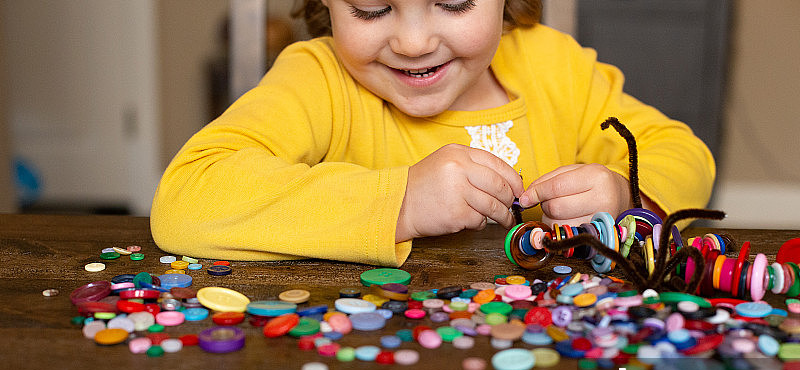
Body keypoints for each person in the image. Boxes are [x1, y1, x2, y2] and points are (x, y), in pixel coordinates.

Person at [151, 0, 715, 266]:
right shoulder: (320, 79)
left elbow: (682, 152)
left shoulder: (553, 66)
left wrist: (626, 195)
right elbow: (187, 197)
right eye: (373, 10)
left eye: (453, 2)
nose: (415, 42)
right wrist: (399, 202)